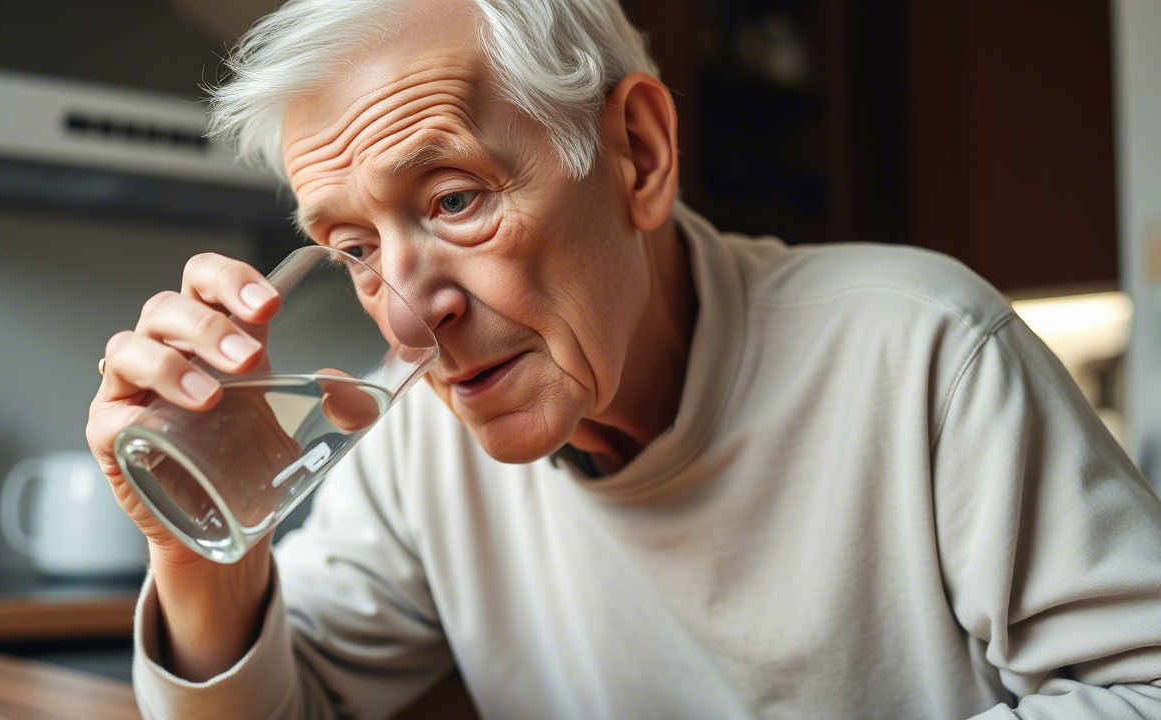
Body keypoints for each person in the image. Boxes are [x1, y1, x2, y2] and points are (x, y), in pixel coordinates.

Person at [85, 0, 1161, 717]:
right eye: (354, 249)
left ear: (636, 156)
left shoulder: (922, 350)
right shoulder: (413, 438)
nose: (405, 320)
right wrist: (208, 557)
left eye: (455, 200)